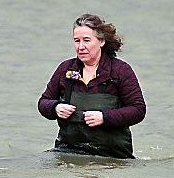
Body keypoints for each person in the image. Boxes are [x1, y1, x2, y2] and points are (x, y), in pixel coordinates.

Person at [37, 14, 146, 159]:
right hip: (68, 151)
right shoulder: (65, 69)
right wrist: (55, 107)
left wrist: (105, 117)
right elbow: (43, 102)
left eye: (86, 40)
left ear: (101, 41)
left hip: (112, 156)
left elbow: (138, 109)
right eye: (77, 41)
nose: (80, 47)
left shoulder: (121, 70)